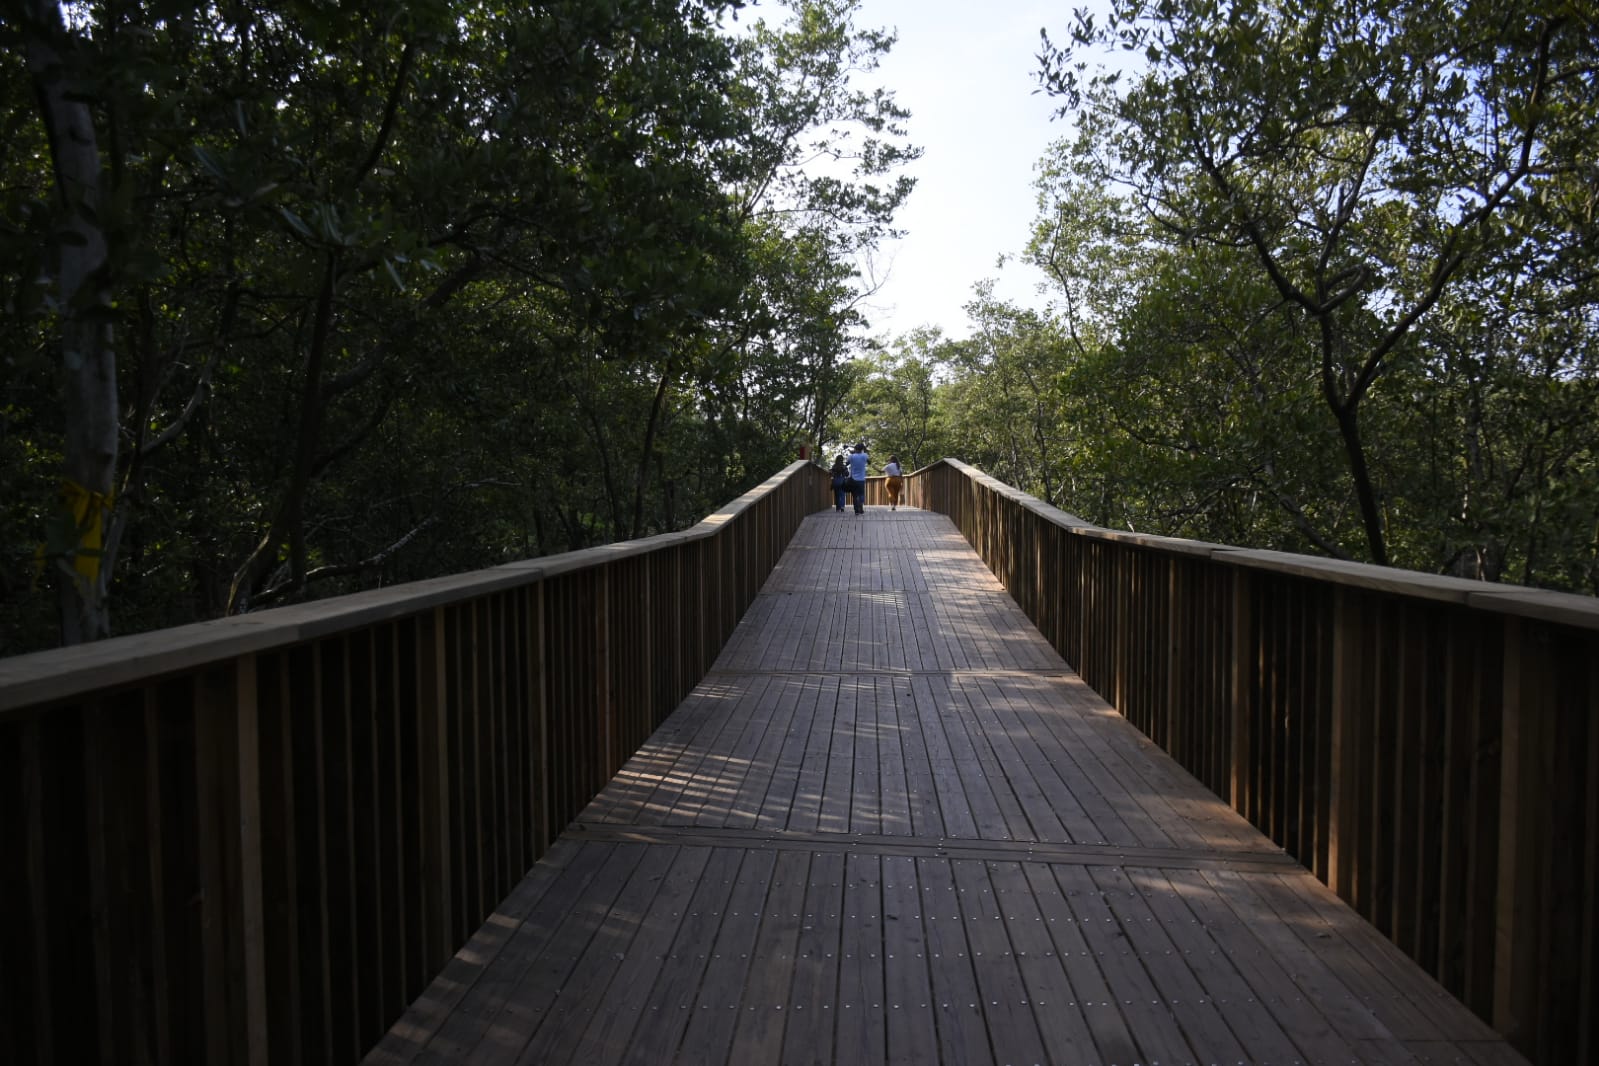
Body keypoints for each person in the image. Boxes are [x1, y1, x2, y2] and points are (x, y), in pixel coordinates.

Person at [846, 441, 869, 515]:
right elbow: (869, 462)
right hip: (861, 479)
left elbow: (846, 463)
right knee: (861, 494)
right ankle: (861, 507)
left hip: (853, 479)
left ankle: (856, 510)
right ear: (862, 449)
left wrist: (851, 453)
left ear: (855, 448)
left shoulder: (851, 456)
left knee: (855, 495)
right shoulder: (865, 455)